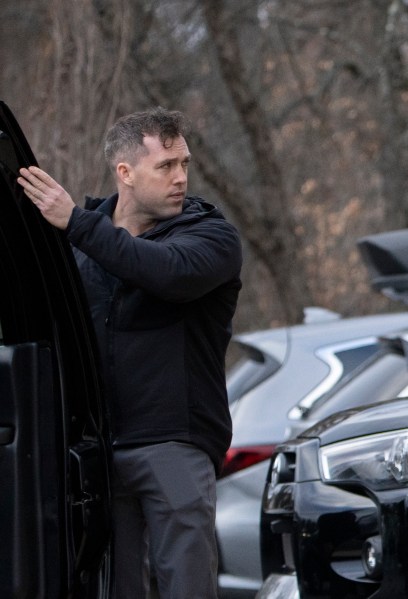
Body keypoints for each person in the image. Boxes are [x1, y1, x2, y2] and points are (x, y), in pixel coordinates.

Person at [18, 108, 242, 598]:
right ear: (126, 173)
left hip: (174, 444)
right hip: (98, 450)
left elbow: (165, 272)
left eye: (184, 163)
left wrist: (75, 223)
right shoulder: (77, 246)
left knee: (186, 587)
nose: (180, 177)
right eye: (165, 167)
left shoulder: (211, 237)